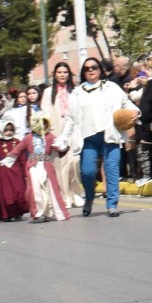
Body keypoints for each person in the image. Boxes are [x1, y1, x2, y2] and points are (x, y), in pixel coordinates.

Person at [61, 57, 139, 217]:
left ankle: (112, 205)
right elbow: (70, 118)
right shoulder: (77, 93)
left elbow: (126, 104)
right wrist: (63, 137)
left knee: (112, 169)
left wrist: (135, 112)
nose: (91, 70)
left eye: (94, 67)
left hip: (109, 135)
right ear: (84, 72)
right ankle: (89, 198)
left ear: (100, 70)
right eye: (87, 68)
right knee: (88, 172)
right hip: (88, 139)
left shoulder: (111, 88)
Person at [42, 62, 83, 209]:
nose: (62, 75)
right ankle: (65, 196)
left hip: (72, 132)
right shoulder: (48, 92)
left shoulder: (76, 91)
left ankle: (75, 192)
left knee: (74, 162)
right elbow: (45, 113)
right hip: (56, 132)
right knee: (59, 166)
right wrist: (49, 134)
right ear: (55, 74)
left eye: (65, 72)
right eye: (59, 72)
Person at [21, 114, 68, 222]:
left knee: (49, 189)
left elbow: (60, 147)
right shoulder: (28, 138)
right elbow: (18, 150)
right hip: (33, 165)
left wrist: (63, 144)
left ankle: (49, 212)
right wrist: (7, 160)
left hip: (46, 165)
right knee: (35, 189)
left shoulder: (49, 136)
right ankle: (38, 211)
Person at [0, 116, 31, 221]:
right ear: (1, 130)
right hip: (2, 173)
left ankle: (18, 212)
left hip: (16, 172)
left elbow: (22, 158)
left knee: (19, 191)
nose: (9, 132)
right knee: (4, 193)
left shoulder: (17, 142)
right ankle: (5, 214)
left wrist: (25, 173)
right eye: (6, 130)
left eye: (11, 130)